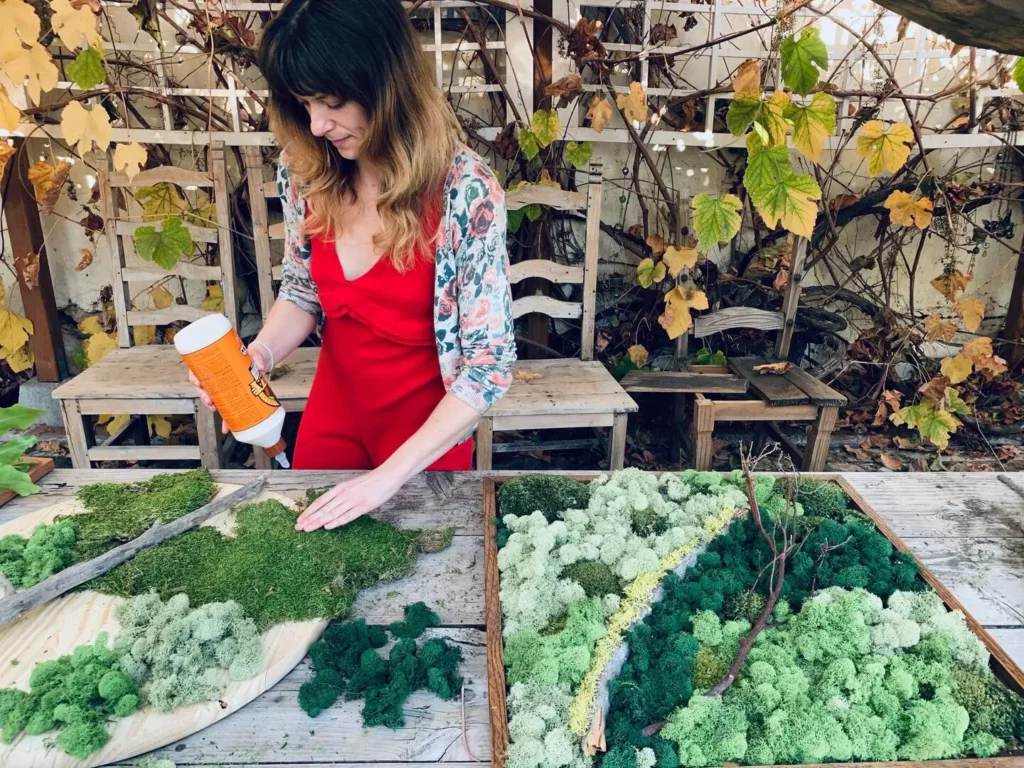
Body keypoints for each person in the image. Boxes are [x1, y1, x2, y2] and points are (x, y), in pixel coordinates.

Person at [189, 0, 515, 531]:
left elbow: (489, 365)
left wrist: (388, 476)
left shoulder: (464, 191)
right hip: (333, 415)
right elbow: (302, 290)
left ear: (386, 84)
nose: (317, 125)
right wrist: (261, 355)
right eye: (304, 104)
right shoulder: (305, 175)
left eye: (331, 102)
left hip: (424, 437)